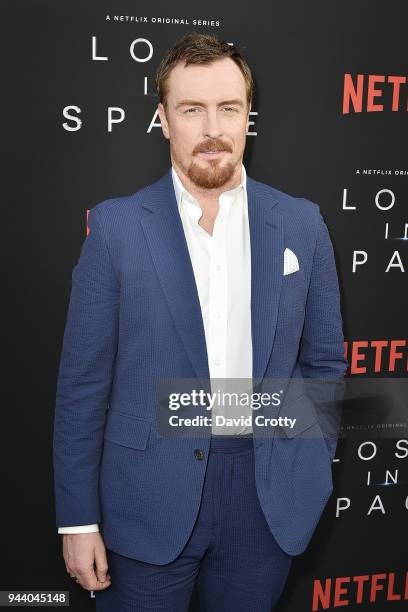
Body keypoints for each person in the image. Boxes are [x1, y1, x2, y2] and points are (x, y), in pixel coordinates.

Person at [53, 31, 347, 611]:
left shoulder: (302, 225)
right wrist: (77, 520)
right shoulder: (115, 230)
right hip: (144, 499)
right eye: (192, 109)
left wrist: (308, 463)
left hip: (266, 500)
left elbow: (325, 363)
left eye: (228, 108)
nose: (212, 127)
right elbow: (81, 388)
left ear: (247, 118)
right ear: (163, 119)